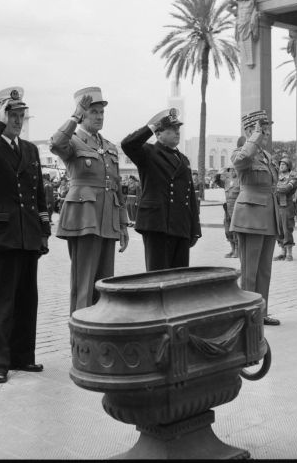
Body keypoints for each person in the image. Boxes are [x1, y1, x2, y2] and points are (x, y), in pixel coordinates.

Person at [0, 88, 50, 384]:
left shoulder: (29, 149)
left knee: (26, 299)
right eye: (12, 115)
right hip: (1, 234)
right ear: (0, 118)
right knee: (0, 301)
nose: (18, 120)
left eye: (20, 115)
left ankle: (21, 357)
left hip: (27, 233)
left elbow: (39, 192)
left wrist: (43, 229)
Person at [49, 87, 128, 314]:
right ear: (82, 113)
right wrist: (74, 116)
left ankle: (100, 329)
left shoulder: (110, 147)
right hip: (85, 218)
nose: (100, 116)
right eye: (93, 111)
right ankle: (81, 329)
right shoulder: (72, 141)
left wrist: (122, 224)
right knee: (84, 283)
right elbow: (55, 144)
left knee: (105, 283)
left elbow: (116, 188)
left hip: (107, 219)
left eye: (102, 111)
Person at [121, 108, 201, 270]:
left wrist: (194, 228)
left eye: (178, 129)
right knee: (158, 277)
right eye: (171, 129)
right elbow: (127, 145)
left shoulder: (183, 159)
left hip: (181, 226)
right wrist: (151, 126)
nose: (177, 132)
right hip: (158, 224)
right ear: (158, 134)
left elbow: (189, 195)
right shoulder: (148, 153)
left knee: (179, 279)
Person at [230, 110, 281, 326]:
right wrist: (254, 138)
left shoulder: (267, 157)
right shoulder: (242, 152)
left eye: (267, 128)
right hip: (250, 218)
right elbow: (241, 161)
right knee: (249, 271)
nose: (267, 132)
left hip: (268, 216)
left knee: (264, 271)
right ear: (250, 131)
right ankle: (247, 316)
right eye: (262, 128)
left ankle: (262, 311)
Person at [227, 0, 260, 66]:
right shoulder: (239, 3)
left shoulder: (250, 2)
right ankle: (248, 61)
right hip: (240, 24)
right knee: (242, 43)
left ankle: (250, 61)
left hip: (247, 23)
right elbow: (228, 4)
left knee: (248, 42)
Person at [273, 157, 297, 261]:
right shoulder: (277, 177)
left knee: (287, 228)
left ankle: (289, 253)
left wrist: (275, 187)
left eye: (283, 164)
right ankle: (282, 252)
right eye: (280, 164)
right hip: (277, 205)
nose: (281, 166)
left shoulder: (293, 178)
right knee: (279, 229)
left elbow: (286, 189)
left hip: (287, 206)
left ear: (288, 166)